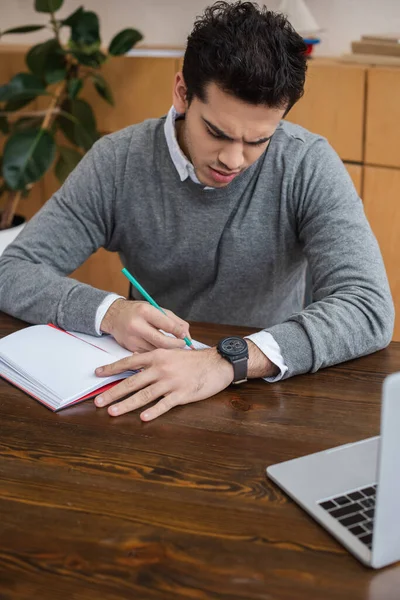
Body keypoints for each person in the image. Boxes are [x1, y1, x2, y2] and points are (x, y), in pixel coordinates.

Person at [0, 1, 394, 421]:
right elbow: (13, 270)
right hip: (148, 385)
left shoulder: (307, 163)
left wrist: (229, 361)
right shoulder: (118, 161)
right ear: (183, 93)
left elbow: (367, 306)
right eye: (217, 132)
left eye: (258, 140)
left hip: (268, 393)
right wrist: (110, 312)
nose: (234, 159)